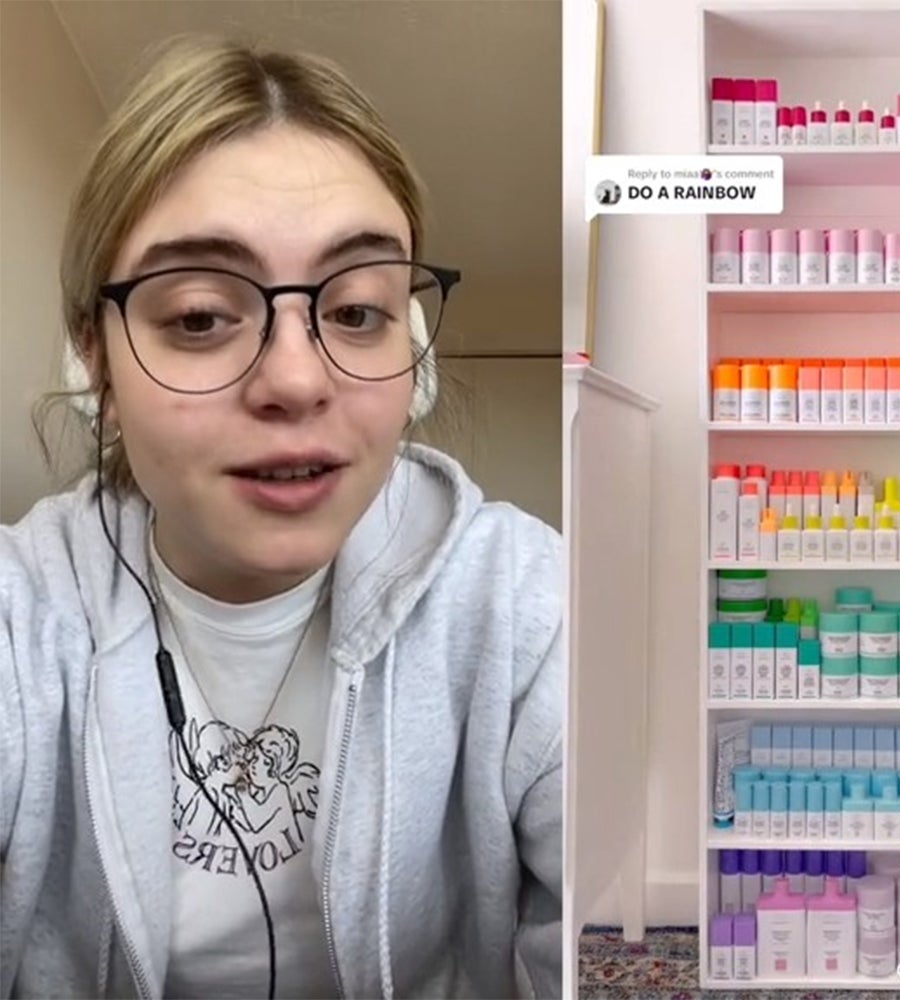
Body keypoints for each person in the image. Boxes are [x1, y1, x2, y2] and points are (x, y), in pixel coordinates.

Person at [0, 36, 565, 998]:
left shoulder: (521, 605)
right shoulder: (22, 617)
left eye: (354, 311)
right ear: (94, 359)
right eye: (199, 317)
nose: (298, 381)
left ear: (413, 356)